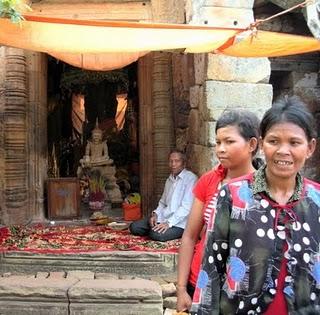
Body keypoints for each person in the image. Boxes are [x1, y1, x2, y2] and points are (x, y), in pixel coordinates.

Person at [191, 96, 319, 314]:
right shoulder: (233, 196)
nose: (283, 151)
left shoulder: (316, 200)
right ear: (261, 145)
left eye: (294, 142)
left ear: (310, 147)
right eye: (274, 141)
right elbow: (212, 268)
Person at [176, 109, 261, 313]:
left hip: (245, 288)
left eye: (229, 142)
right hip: (201, 280)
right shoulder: (209, 181)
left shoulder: (263, 188)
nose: (221, 149)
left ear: (252, 144)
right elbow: (189, 236)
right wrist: (181, 289)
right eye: (218, 142)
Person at [129, 149, 198, 242]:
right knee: (134, 227)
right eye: (171, 161)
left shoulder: (191, 179)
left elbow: (186, 208)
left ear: (184, 163)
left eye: (177, 161)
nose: (173, 164)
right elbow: (162, 202)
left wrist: (168, 223)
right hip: (164, 218)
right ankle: (154, 229)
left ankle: (156, 231)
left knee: (157, 235)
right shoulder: (170, 179)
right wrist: (156, 215)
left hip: (179, 223)